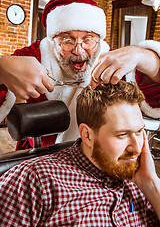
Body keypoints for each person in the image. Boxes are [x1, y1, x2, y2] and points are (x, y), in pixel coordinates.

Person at [0, 0, 159, 150]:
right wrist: (2, 66)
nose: (79, 51)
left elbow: (153, 93)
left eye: (88, 39)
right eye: (67, 40)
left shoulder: (110, 59)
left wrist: (144, 56)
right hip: (38, 152)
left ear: (98, 38)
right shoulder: (36, 54)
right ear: (54, 40)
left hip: (93, 155)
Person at [0, 81, 160, 226]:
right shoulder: (35, 180)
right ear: (87, 135)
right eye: (122, 135)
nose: (136, 147)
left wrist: (151, 183)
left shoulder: (139, 177)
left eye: (139, 131)